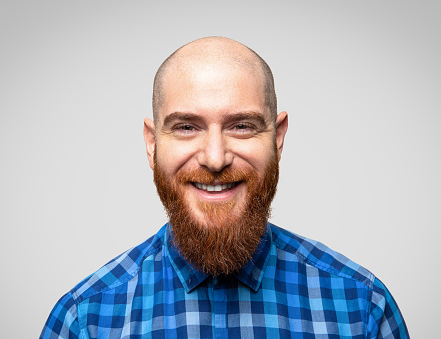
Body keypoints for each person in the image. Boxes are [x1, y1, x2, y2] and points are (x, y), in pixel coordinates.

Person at [40, 37, 409, 338]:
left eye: (242, 126)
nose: (215, 159)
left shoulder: (363, 310)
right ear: (152, 144)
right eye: (186, 126)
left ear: (277, 138)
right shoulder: (84, 321)